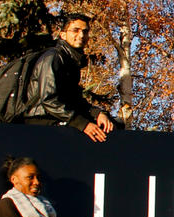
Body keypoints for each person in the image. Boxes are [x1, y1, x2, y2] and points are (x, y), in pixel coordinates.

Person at [21, 13, 116, 143]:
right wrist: (82, 124)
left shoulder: (70, 62)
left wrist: (97, 113)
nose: (81, 35)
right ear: (63, 34)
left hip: (54, 120)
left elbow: (74, 100)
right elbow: (49, 99)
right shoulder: (54, 57)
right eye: (75, 30)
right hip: (40, 123)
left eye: (85, 31)